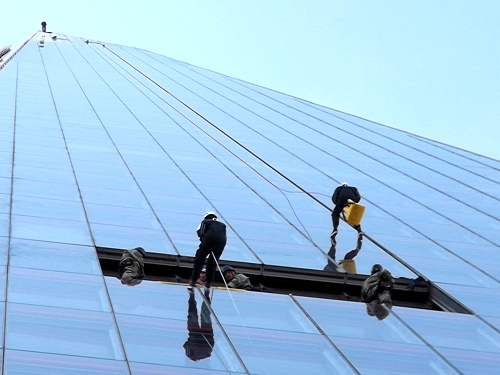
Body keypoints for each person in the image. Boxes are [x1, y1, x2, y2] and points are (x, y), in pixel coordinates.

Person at [188, 212, 227, 292]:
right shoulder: (222, 225)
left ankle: (193, 281)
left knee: (199, 260)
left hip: (209, 240)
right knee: (212, 263)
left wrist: (203, 240)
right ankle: (208, 283)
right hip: (221, 243)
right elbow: (224, 235)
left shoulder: (205, 222)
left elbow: (200, 232)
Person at [329, 182, 362, 261]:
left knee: (335, 214)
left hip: (342, 199)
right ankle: (359, 230)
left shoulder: (339, 188)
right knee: (353, 216)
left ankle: (335, 229)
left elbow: (334, 198)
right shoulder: (353, 188)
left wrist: (338, 204)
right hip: (352, 200)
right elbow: (358, 197)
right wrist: (354, 202)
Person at [183, 293, 214, 361]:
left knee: (205, 316)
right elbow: (185, 344)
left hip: (206, 337)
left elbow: (211, 343)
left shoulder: (206, 353)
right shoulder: (189, 355)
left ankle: (206, 294)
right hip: (195, 334)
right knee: (192, 315)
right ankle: (192, 294)